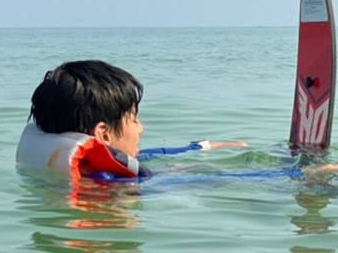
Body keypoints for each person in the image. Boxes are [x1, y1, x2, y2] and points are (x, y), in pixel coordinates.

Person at [17, 60, 248, 181]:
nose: (141, 128)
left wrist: (208, 146)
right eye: (134, 120)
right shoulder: (110, 184)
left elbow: (156, 154)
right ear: (104, 134)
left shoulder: (85, 165)